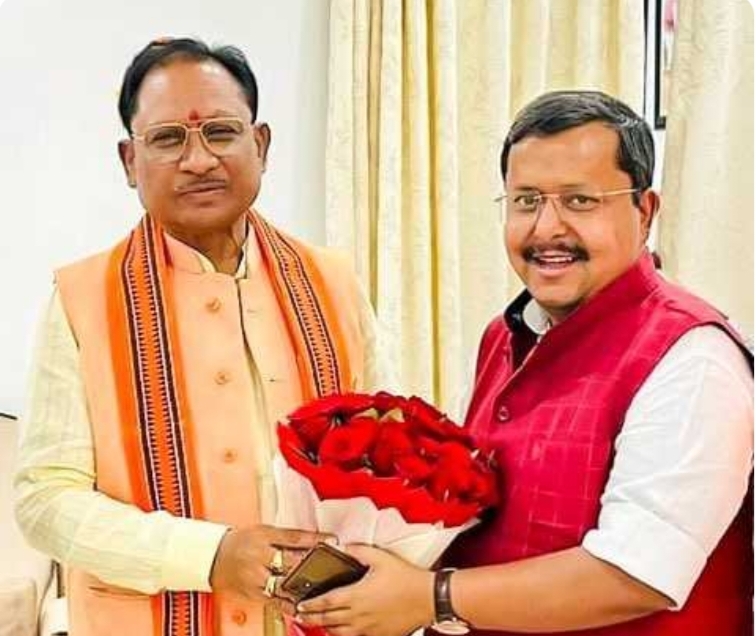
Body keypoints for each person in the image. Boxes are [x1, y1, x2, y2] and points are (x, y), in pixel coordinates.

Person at [294, 90, 754, 636]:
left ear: (645, 211)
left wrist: (428, 597)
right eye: (526, 200)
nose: (546, 228)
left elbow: (635, 575)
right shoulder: (503, 336)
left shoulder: (692, 357)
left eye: (580, 201)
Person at [14, 37, 390, 636]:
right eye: (168, 139)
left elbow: (387, 455)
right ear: (129, 160)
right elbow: (46, 498)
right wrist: (209, 556)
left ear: (260, 145)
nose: (199, 160)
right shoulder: (83, 298)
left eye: (220, 132)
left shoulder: (332, 282)